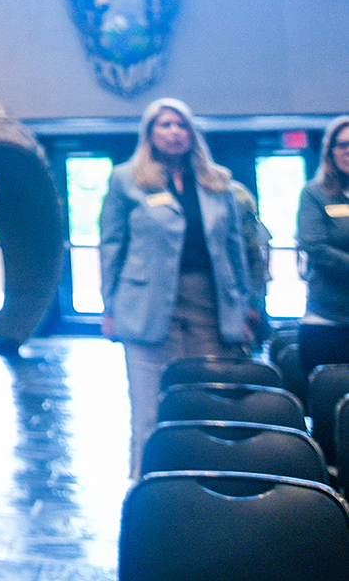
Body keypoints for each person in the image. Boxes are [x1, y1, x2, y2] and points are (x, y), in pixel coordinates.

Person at [100, 97, 258, 476]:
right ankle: (147, 489)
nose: (174, 132)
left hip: (211, 304)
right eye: (165, 125)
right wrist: (109, 307)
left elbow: (235, 248)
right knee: (149, 409)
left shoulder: (219, 182)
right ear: (150, 134)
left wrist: (248, 304)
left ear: (192, 133)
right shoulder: (127, 179)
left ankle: (204, 485)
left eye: (181, 125)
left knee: (207, 401)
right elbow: (111, 245)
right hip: (147, 305)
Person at [296, 114, 349, 371]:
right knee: (328, 403)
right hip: (328, 320)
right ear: (331, 151)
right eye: (342, 144)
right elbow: (317, 249)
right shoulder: (314, 194)